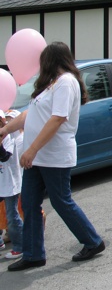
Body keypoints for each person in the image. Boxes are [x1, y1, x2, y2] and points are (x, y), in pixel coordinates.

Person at [0, 42, 105, 271]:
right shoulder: (50, 85)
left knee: (61, 201)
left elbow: (58, 119)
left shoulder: (66, 82)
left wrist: (32, 149)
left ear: (50, 59)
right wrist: (5, 130)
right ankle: (33, 254)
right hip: (38, 158)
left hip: (53, 155)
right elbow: (29, 114)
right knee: (28, 203)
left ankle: (93, 241)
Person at [0, 110, 23, 260]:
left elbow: (5, 156)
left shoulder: (9, 138)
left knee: (12, 216)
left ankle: (20, 246)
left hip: (9, 183)